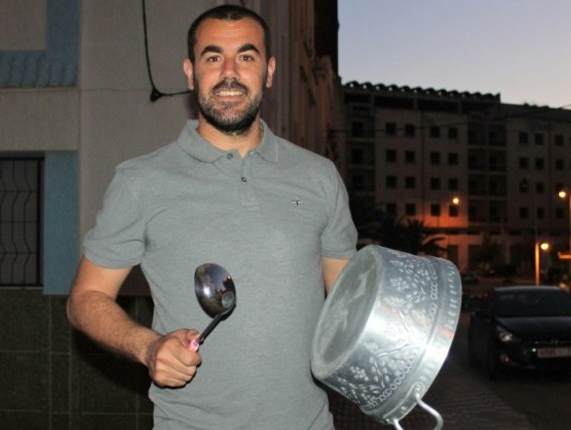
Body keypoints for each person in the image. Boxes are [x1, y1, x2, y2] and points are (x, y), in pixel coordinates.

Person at [66, 5, 358, 429]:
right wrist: (148, 347)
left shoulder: (319, 177)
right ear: (190, 71)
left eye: (246, 56)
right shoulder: (142, 181)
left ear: (269, 70)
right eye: (212, 56)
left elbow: (348, 303)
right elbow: (84, 299)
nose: (229, 72)